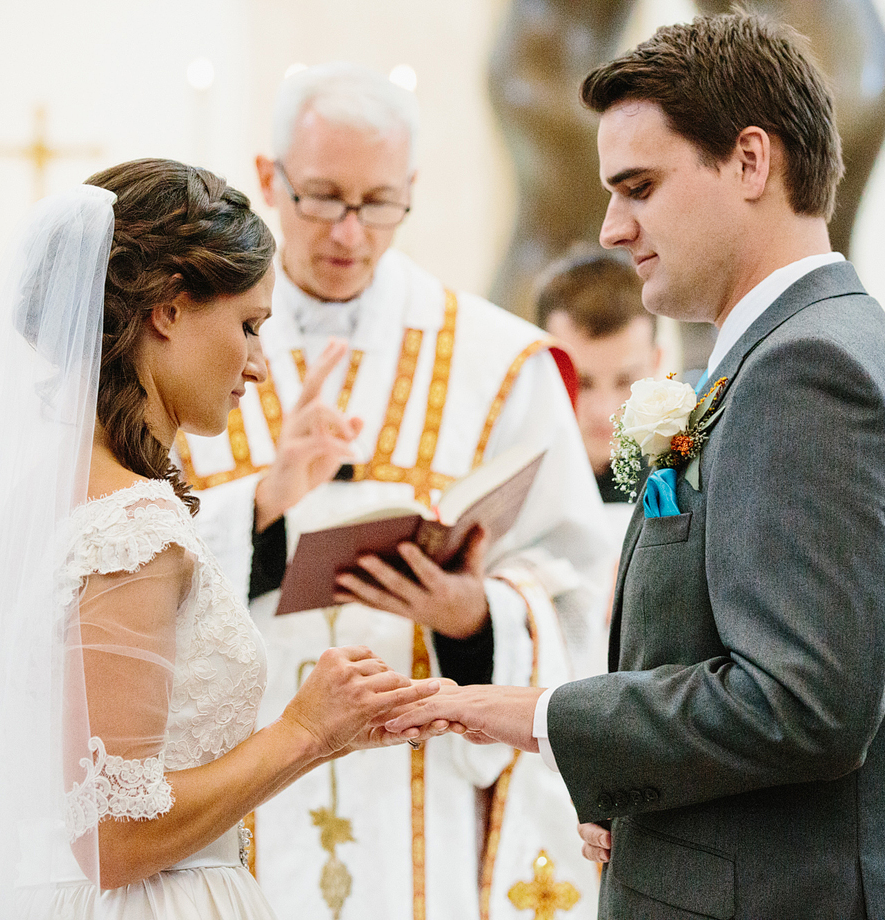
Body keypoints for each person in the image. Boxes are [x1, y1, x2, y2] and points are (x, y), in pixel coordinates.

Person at [387, 13, 885, 918]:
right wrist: (642, 805)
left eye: (640, 187)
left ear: (749, 161)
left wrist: (544, 716)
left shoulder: (810, 372)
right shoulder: (794, 350)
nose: (613, 227)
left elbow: (801, 706)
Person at [0, 160, 450, 918]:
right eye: (250, 325)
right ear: (168, 309)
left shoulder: (46, 498)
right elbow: (113, 837)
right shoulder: (129, 528)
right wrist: (304, 731)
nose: (259, 365)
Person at [176, 63, 612, 920]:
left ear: (410, 192)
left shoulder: (500, 363)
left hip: (427, 795)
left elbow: (577, 583)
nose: (349, 230)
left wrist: (475, 616)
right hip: (244, 788)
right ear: (269, 180)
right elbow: (132, 569)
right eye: (322, 197)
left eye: (377, 202)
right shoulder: (192, 348)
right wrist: (262, 508)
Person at [532, 248, 661, 503]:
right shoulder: (498, 480)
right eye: (582, 383)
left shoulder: (694, 484)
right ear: (539, 369)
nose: (605, 412)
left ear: (656, 365)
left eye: (626, 382)